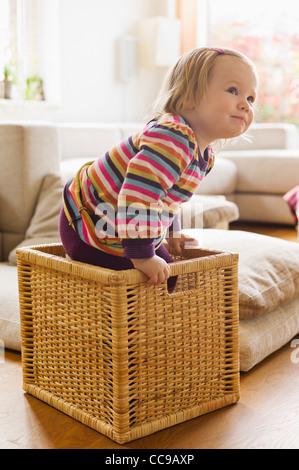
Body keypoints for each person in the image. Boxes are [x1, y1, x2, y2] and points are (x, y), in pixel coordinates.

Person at [59, 46, 258, 289]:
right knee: (152, 280)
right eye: (233, 91)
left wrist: (172, 233)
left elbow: (166, 198)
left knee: (168, 273)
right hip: (87, 222)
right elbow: (138, 195)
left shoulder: (202, 154)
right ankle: (128, 324)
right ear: (188, 96)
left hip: (117, 222)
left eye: (250, 98)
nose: (246, 105)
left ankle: (149, 322)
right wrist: (142, 256)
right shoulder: (171, 138)